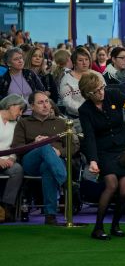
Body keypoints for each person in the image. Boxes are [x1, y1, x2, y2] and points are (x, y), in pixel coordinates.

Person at [78, 71, 125, 239]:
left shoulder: (115, 94)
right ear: (87, 94)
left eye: (102, 88)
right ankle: (97, 228)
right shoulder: (85, 110)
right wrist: (93, 161)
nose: (101, 93)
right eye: (96, 91)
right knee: (111, 185)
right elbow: (89, 137)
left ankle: (115, 225)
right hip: (103, 151)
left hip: (122, 149)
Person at [12, 91, 78, 225]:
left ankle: (50, 215)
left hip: (53, 162)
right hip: (31, 162)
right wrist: (34, 144)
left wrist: (60, 152)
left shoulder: (61, 122)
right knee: (44, 146)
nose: (45, 105)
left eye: (47, 101)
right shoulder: (23, 123)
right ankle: (66, 182)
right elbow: (17, 148)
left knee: (48, 167)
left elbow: (73, 147)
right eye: (40, 102)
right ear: (32, 106)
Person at [0, 94, 25, 222]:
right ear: (11, 106)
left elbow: (16, 145)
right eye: (20, 109)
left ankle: (6, 206)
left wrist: (11, 158)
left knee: (18, 169)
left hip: (7, 161)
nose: (21, 113)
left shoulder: (16, 125)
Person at [59, 46, 96, 119]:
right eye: (80, 60)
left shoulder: (97, 75)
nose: (84, 63)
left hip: (96, 115)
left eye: (86, 59)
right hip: (76, 118)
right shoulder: (67, 79)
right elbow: (67, 101)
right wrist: (87, 110)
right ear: (74, 62)